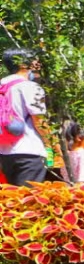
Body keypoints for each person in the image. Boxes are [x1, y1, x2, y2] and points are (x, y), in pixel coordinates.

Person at [0, 49, 52, 187]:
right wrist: (50, 146)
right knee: (28, 200)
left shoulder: (2, 85)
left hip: (4, 153)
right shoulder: (31, 87)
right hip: (30, 151)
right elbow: (39, 121)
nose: (37, 64)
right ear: (23, 64)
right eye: (33, 60)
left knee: (11, 200)